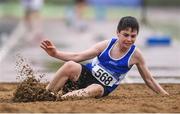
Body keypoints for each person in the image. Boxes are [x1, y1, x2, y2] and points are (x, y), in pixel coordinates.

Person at [40, 16, 169, 100]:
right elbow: (78, 56)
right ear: (118, 33)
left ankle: (62, 99)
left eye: (133, 36)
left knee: (97, 88)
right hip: (86, 75)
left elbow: (149, 79)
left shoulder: (136, 55)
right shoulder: (106, 45)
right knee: (70, 65)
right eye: (126, 35)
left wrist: (165, 95)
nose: (129, 39)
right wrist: (55, 54)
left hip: (101, 87)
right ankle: (46, 94)